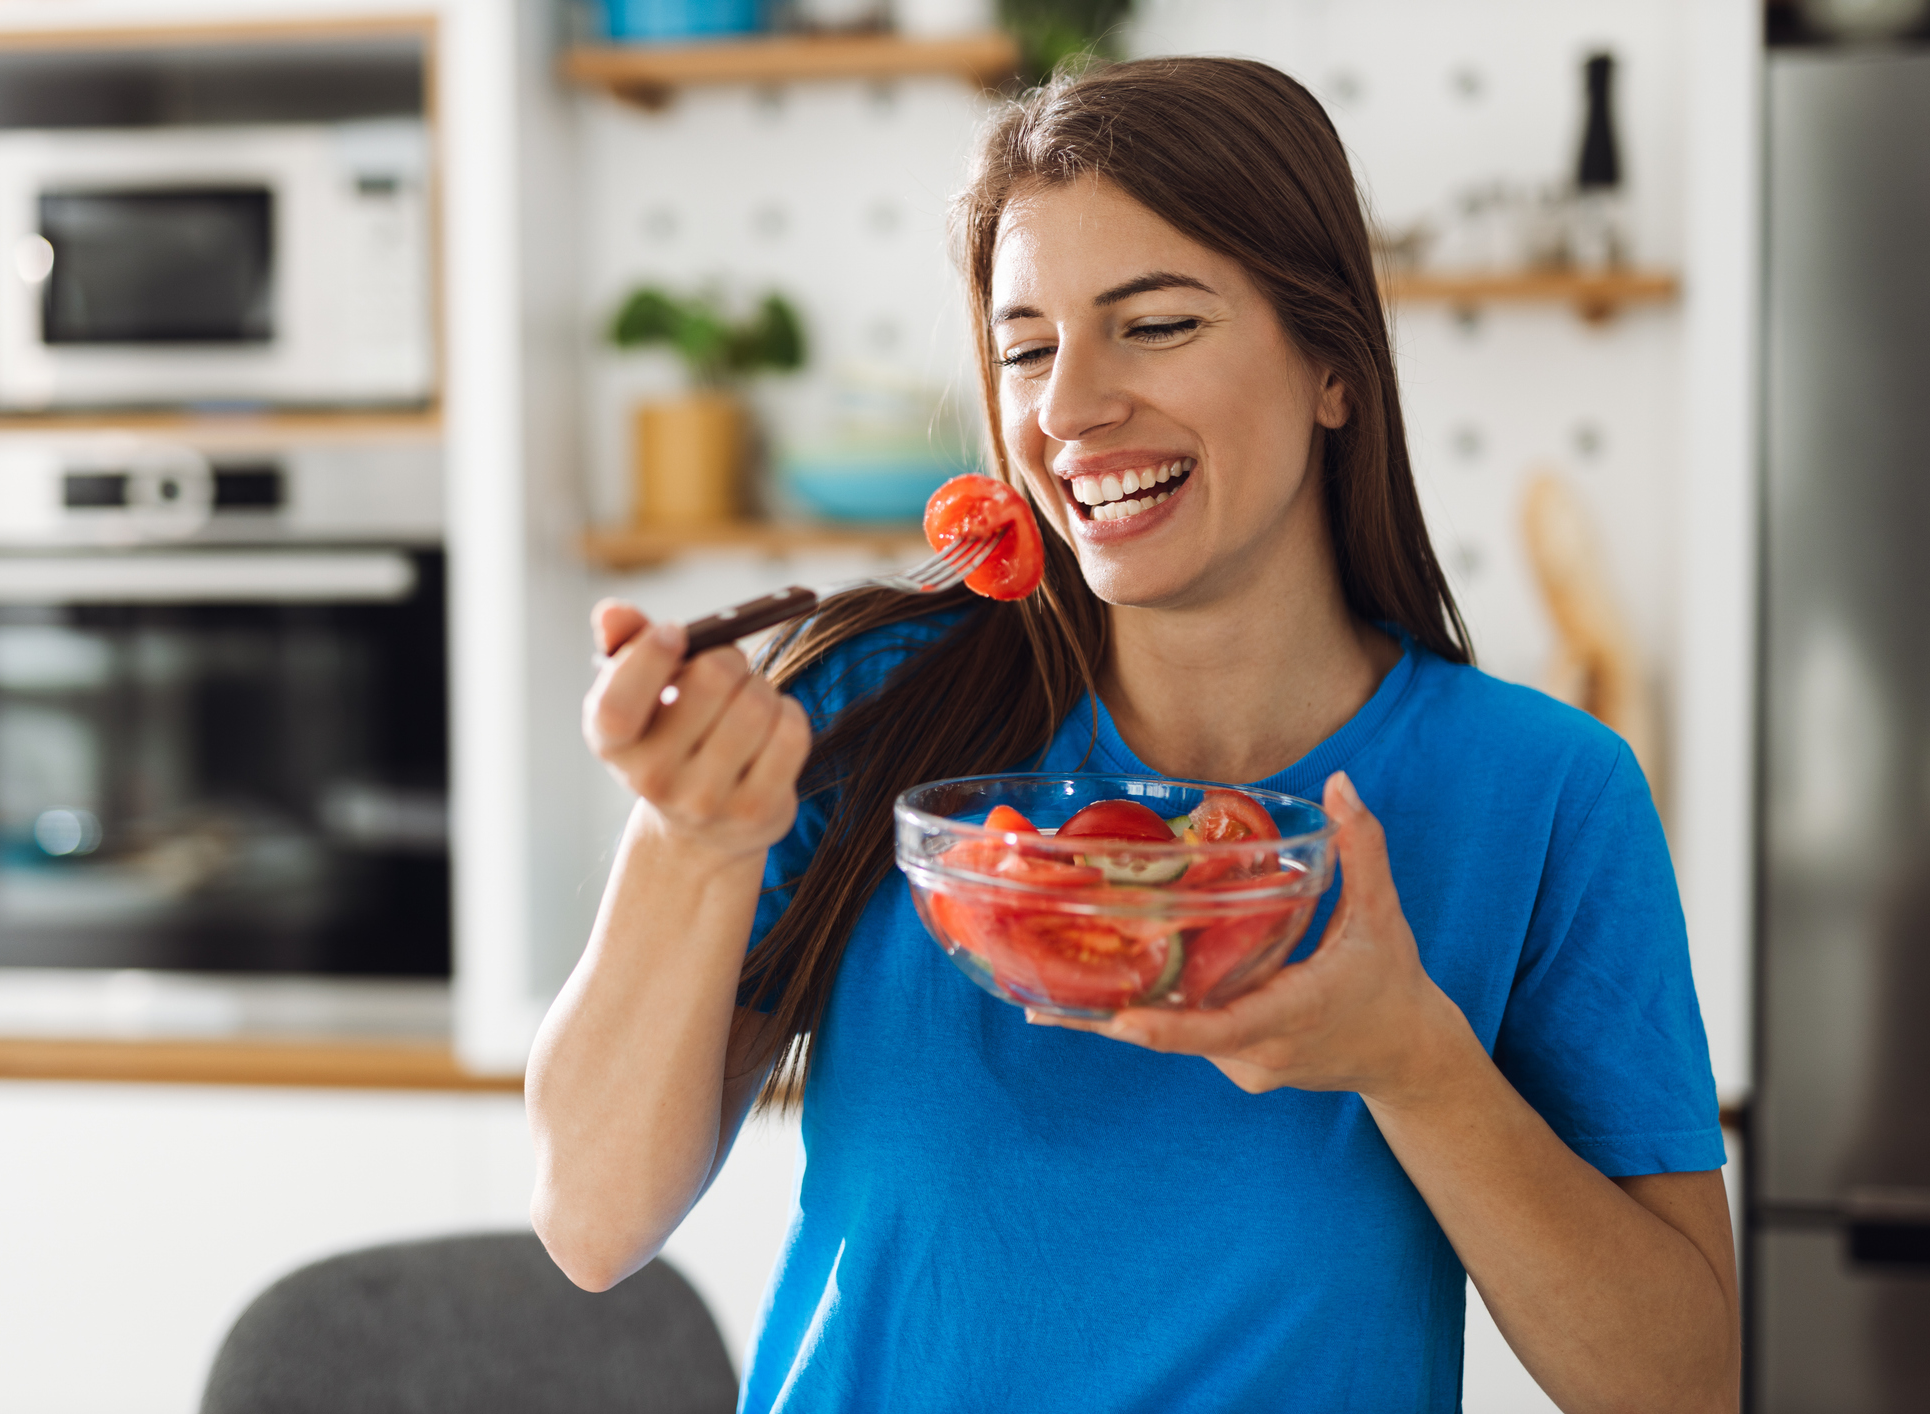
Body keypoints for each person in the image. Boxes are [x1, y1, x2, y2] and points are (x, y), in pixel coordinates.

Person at [528, 57, 1737, 1413]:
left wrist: (1415, 1063)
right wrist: (689, 839)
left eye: (1152, 324)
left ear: (1332, 366)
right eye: (1026, 346)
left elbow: (1677, 1384)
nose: (1067, 408)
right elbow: (587, 1220)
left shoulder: (1540, 791)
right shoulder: (868, 714)